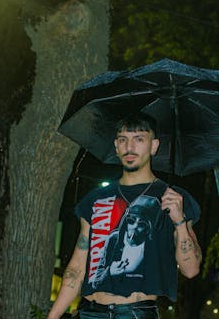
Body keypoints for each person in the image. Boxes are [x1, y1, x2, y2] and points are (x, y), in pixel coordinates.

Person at [48, 113, 202, 319]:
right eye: (123, 140)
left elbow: (191, 269)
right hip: (89, 312)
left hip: (134, 313)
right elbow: (77, 267)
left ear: (154, 146)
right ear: (116, 146)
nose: (130, 147)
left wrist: (179, 221)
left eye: (139, 139)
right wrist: (53, 316)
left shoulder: (173, 199)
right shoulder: (97, 198)